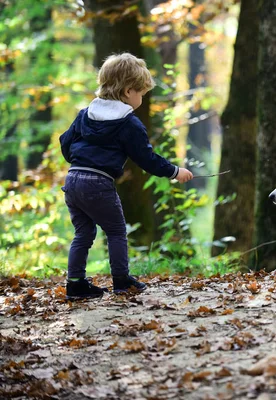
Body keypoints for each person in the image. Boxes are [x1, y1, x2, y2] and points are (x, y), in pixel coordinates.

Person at [59, 53, 193, 300]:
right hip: (98, 184)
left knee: (83, 233)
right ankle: (121, 280)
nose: (142, 97)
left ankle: (75, 283)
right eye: (141, 93)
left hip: (73, 181)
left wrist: (78, 162)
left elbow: (65, 142)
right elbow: (146, 158)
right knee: (116, 231)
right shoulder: (128, 123)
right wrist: (175, 171)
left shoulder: (84, 114)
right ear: (128, 91)